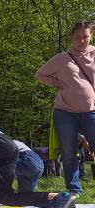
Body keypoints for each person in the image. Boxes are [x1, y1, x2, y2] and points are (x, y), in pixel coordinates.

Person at [36, 21, 95, 195]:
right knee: (69, 153)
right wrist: (59, 83)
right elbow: (39, 74)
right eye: (77, 37)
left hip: (91, 112)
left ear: (90, 36)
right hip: (65, 113)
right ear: (71, 38)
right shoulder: (62, 58)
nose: (81, 40)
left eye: (85, 36)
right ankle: (74, 191)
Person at [0, 140, 44, 207]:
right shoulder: (5, 140)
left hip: (26, 158)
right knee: (25, 197)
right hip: (38, 163)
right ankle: (50, 201)